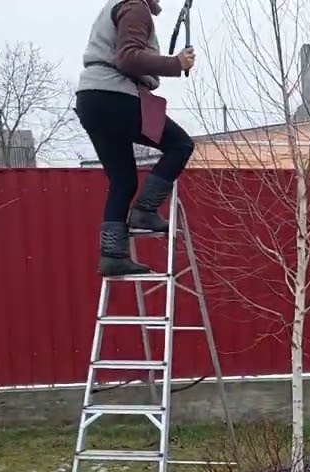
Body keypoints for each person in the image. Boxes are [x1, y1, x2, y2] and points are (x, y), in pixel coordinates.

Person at [75, 0, 197, 276]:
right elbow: (128, 58)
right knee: (180, 145)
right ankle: (145, 210)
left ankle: (113, 255)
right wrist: (175, 63)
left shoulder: (118, 7)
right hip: (115, 95)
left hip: (91, 98)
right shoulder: (135, 7)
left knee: (122, 179)